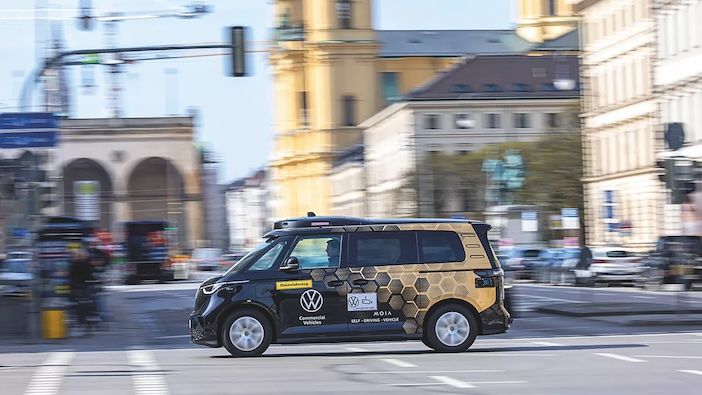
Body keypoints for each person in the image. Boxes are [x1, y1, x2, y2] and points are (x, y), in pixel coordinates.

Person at [69, 245, 97, 335]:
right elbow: (90, 276)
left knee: (77, 304)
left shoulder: (73, 264)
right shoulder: (87, 264)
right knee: (87, 303)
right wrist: (94, 281)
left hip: (75, 287)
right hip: (85, 286)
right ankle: (87, 321)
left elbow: (70, 275)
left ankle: (80, 321)